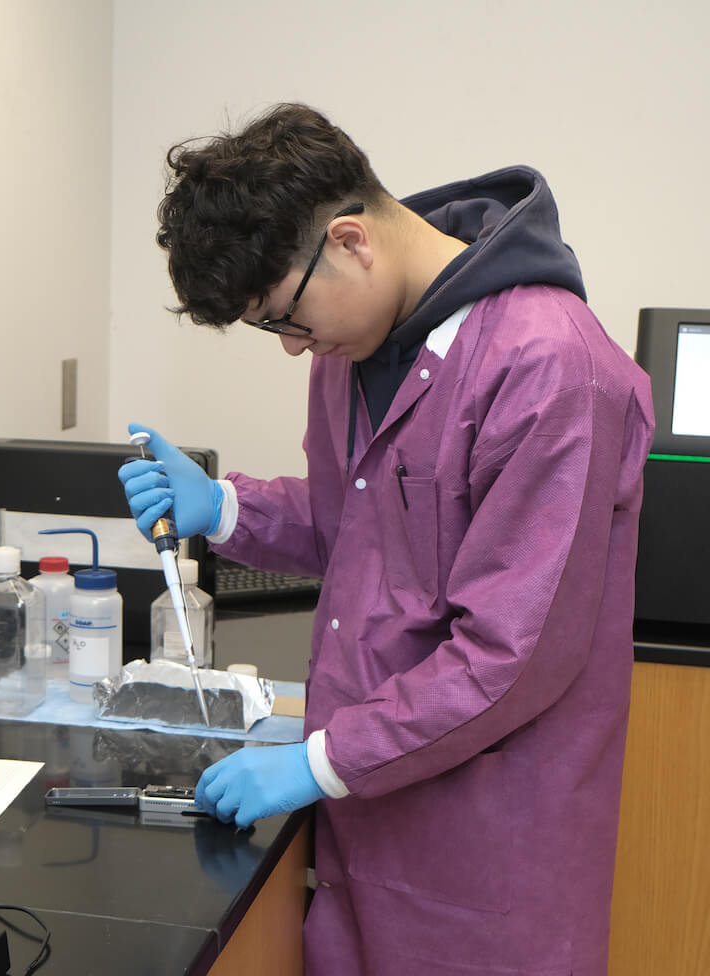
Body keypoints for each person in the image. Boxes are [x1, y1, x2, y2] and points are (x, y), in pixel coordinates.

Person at [118, 103, 654, 976]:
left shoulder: (552, 367)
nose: (293, 350)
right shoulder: (354, 349)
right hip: (365, 831)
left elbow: (511, 656)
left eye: (285, 318)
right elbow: (360, 531)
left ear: (351, 241)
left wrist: (320, 763)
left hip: (484, 857)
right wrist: (222, 506)